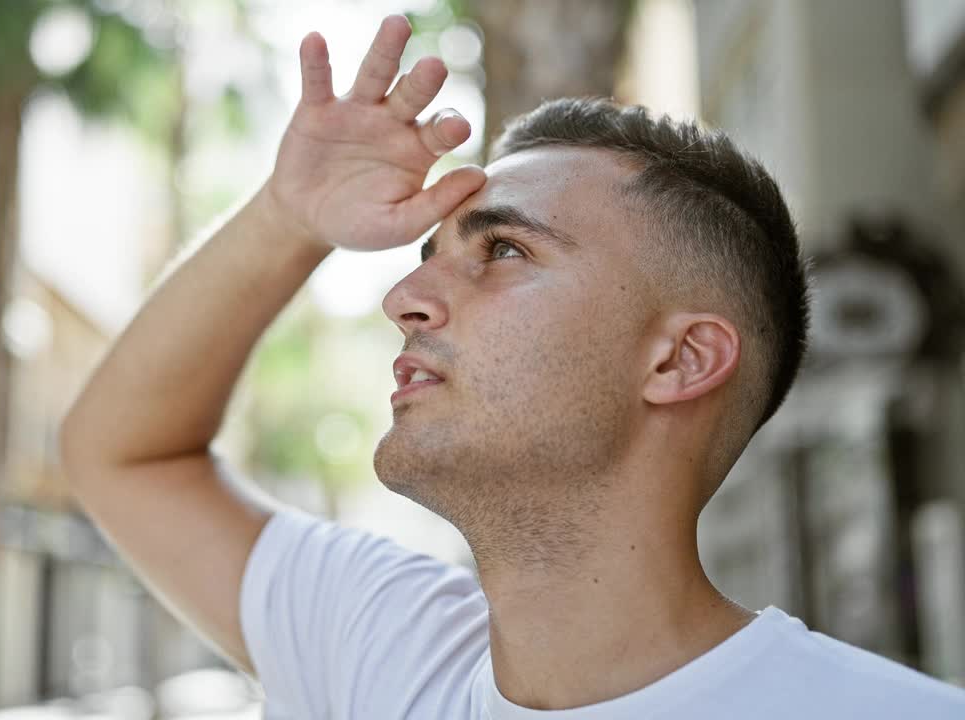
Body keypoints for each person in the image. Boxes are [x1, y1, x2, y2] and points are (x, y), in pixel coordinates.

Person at [59, 14, 965, 719]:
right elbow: (122, 453)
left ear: (681, 359)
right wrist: (288, 219)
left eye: (502, 253)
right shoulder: (386, 649)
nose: (404, 299)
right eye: (428, 252)